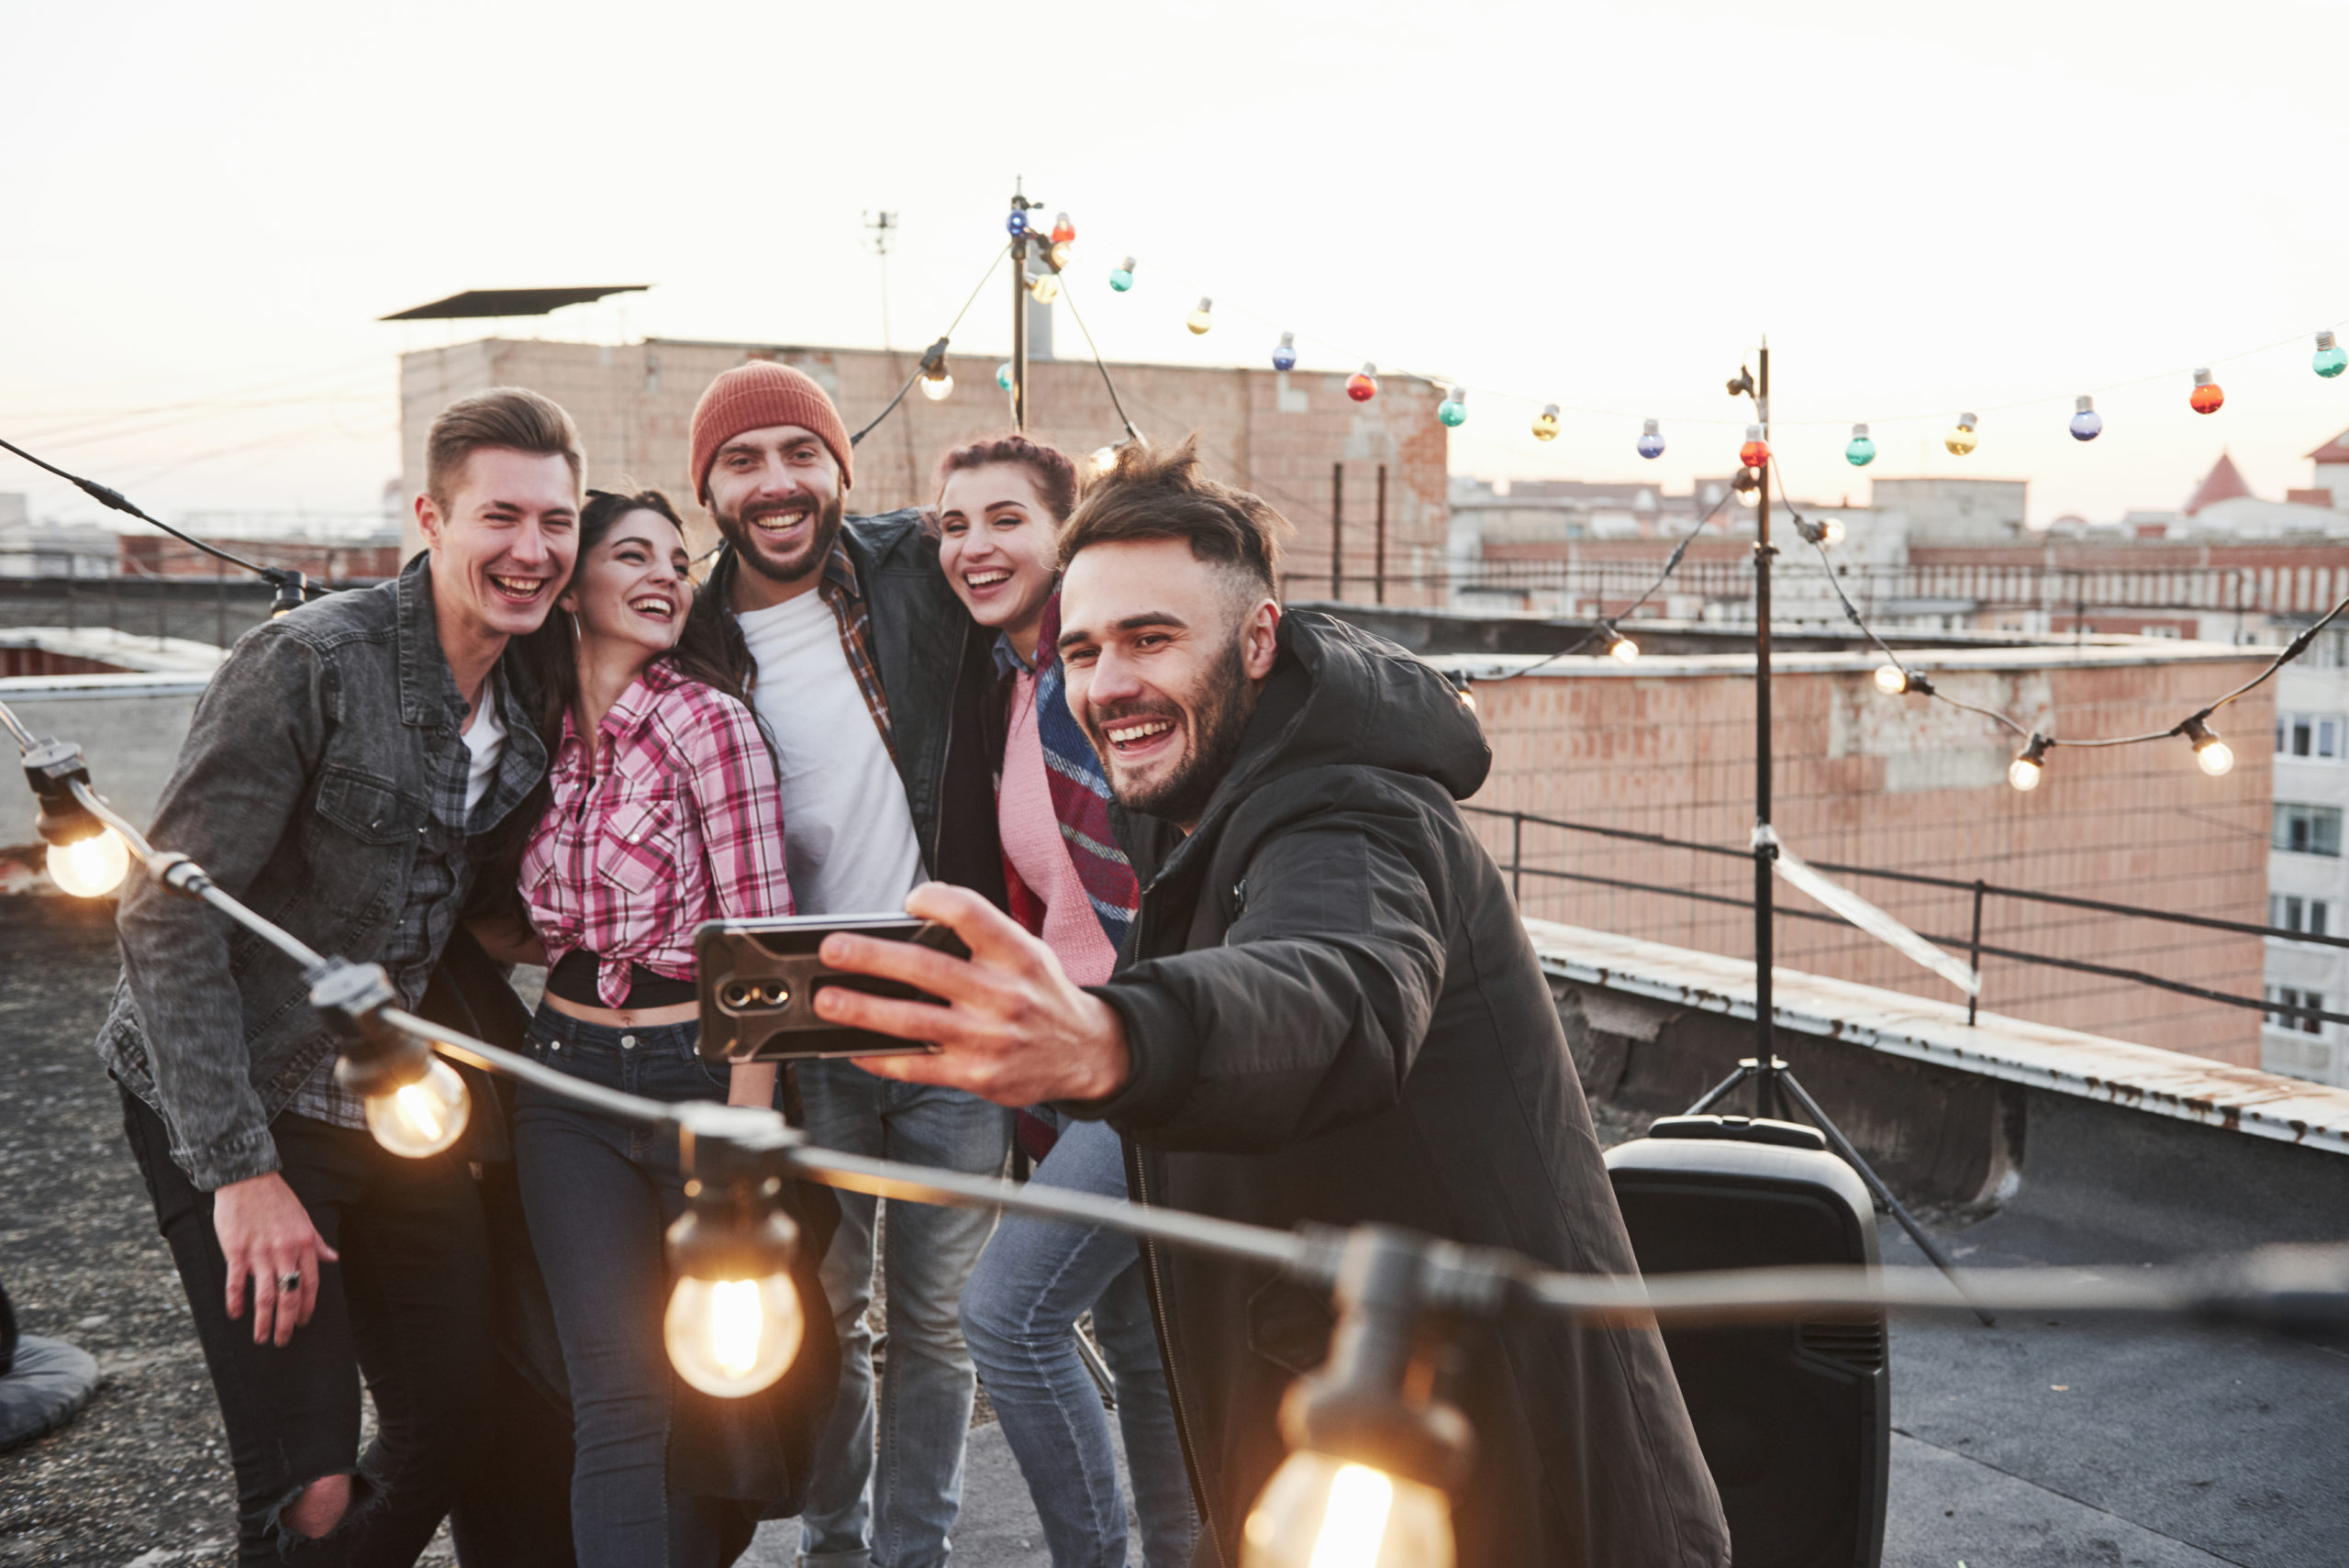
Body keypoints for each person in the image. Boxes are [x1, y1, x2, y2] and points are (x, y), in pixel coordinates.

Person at [801, 438, 1733, 1567]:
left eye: (1151, 638)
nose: (1108, 685)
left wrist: (1111, 1033)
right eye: (1085, 650)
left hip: (1519, 1493)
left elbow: (1336, 987)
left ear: (1257, 640)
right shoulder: (1196, 797)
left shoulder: (1355, 811)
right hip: (1340, 1478)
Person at [96, 388, 583, 1564]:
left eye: (557, 522)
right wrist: (242, 1174)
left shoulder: (529, 695)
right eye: (501, 517)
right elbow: (163, 911)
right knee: (307, 1479)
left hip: (391, 1100)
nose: (532, 551)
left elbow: (462, 898)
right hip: (238, 1093)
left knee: (461, 1416)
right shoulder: (307, 663)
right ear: (431, 514)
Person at [677, 361, 1009, 1568]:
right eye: (745, 461)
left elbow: (1054, 555)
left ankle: (911, 1552)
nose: (777, 483)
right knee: (827, 1316)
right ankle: (835, 1544)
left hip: (949, 1007)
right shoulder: (690, 636)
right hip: (801, 1025)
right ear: (708, 486)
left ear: (839, 469)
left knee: (941, 1325)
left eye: (799, 454)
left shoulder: (911, 571)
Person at [473, 487, 833, 1565]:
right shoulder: (533, 734)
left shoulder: (706, 718)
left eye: (678, 561)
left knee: (712, 1388)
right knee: (614, 1397)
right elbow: (521, 920)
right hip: (566, 1085)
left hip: (698, 1077)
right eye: (633, 555)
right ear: (571, 583)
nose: (667, 576)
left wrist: (745, 1132)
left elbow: (764, 940)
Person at [930, 436, 1197, 1568]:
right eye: (951, 526)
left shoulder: (1097, 679)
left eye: (1005, 520)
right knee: (1142, 1340)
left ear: (1066, 533)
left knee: (1009, 1313)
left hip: (1151, 1047)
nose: (975, 546)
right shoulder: (1015, 688)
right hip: (1073, 1050)